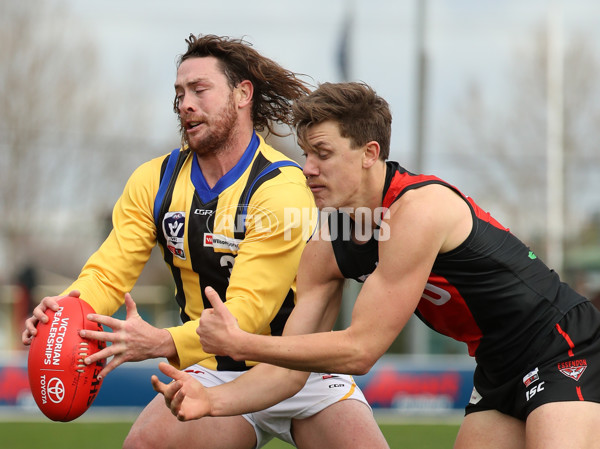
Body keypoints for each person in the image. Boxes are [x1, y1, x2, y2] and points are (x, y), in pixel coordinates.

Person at [153, 82, 600, 449]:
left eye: (323, 154)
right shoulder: (326, 246)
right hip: (498, 367)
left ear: (369, 153)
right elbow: (287, 374)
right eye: (305, 153)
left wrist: (242, 342)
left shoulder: (418, 211)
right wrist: (211, 400)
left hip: (563, 346)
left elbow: (360, 350)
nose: (307, 168)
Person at [22, 37, 388, 449]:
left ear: (243, 94)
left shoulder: (282, 187)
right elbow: (107, 274)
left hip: (300, 367)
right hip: (211, 367)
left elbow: (248, 311)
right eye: (179, 93)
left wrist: (164, 342)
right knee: (143, 444)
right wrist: (67, 310)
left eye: (200, 90)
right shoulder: (154, 181)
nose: (185, 104)